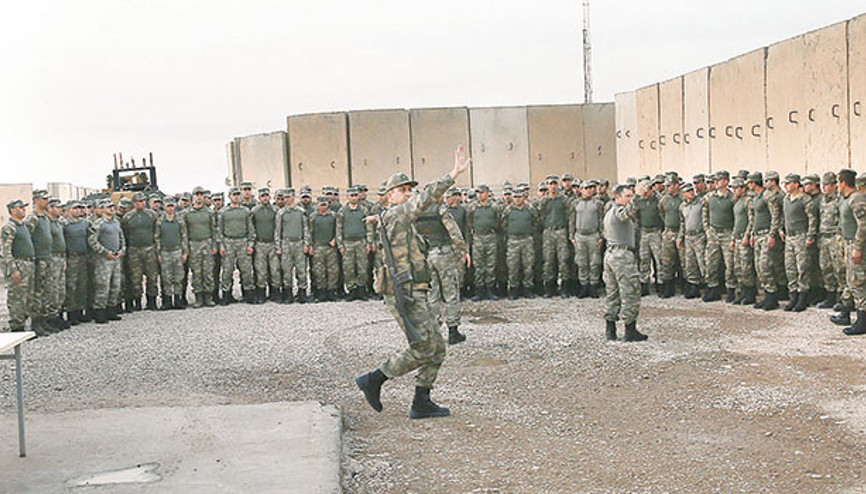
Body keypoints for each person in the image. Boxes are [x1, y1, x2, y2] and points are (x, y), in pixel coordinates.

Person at [355, 145, 470, 420]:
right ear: (389, 197)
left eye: (409, 190)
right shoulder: (397, 214)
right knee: (422, 348)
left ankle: (422, 401)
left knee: (437, 348)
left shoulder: (396, 218)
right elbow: (426, 197)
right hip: (403, 292)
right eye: (402, 190)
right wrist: (453, 174)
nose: (408, 194)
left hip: (415, 289)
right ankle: (374, 379)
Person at [603, 183, 648, 342]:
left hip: (611, 254)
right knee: (630, 292)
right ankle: (630, 330)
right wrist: (638, 196)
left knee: (613, 293)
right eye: (627, 196)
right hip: (621, 256)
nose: (630, 199)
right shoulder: (617, 212)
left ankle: (611, 330)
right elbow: (627, 213)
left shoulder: (609, 211)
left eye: (631, 196)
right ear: (617, 197)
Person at [2, 200, 47, 336]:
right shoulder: (9, 227)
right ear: (12, 210)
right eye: (20, 208)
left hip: (29, 263)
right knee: (17, 297)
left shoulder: (24, 227)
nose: (23, 210)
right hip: (19, 264)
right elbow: (6, 251)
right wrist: (13, 269)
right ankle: (17, 326)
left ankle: (30, 324)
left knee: (30, 296)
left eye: (24, 207)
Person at [88, 200, 126, 324]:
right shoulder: (98, 224)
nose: (111, 209)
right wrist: (105, 252)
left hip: (116, 258)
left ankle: (111, 309)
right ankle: (99, 311)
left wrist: (122, 250)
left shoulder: (116, 222)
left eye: (112, 207)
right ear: (102, 209)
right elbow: (92, 241)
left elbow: (121, 238)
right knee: (103, 285)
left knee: (116, 285)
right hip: (104, 259)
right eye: (108, 207)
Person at [122, 191, 160, 311]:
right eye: (139, 201)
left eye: (143, 201)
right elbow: (125, 233)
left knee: (152, 276)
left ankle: (152, 301)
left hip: (149, 248)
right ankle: (137, 301)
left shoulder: (152, 215)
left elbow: (156, 231)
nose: (141, 203)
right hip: (134, 250)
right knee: (135, 277)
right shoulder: (128, 217)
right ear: (134, 203)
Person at [218, 187, 256, 305]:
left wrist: (250, 244)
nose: (236, 196)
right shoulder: (223, 212)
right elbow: (219, 230)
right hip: (228, 242)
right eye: (233, 194)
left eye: (237, 194)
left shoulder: (245, 211)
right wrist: (221, 245)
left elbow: (250, 229)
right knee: (227, 271)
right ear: (229, 196)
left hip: (243, 242)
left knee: (246, 270)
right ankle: (226, 295)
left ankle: (248, 294)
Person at [155, 196, 188, 310]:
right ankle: (167, 301)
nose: (170, 208)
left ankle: (178, 300)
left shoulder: (179, 220)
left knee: (178, 276)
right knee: (166, 277)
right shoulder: (160, 221)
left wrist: (185, 253)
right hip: (165, 252)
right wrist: (158, 253)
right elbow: (157, 238)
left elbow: (184, 237)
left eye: (172, 206)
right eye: (168, 206)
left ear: (175, 207)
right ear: (164, 207)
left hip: (177, 251)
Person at [251, 188, 282, 303]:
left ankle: (275, 293)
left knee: (275, 270)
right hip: (260, 244)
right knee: (261, 270)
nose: (265, 198)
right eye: (262, 196)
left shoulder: (276, 210)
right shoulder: (254, 211)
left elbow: (279, 227)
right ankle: (261, 294)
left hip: (273, 243)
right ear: (259, 198)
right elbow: (251, 227)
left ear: (270, 197)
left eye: (266, 196)